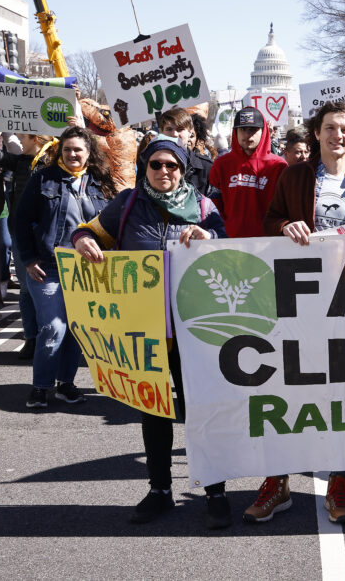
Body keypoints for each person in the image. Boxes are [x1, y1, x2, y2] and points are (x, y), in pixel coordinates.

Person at [72, 135, 231, 528]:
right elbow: (85, 230)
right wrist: (85, 241)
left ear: (182, 170)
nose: (164, 172)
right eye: (156, 165)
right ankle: (159, 490)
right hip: (144, 329)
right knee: (153, 409)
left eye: (172, 166)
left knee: (200, 409)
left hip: (193, 326)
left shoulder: (204, 206)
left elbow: (229, 248)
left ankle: (215, 492)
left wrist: (209, 237)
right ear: (145, 168)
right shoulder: (126, 204)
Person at [258, 101, 345, 525]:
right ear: (316, 133)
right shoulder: (294, 176)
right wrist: (286, 227)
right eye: (331, 128)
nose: (338, 136)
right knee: (293, 389)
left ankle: (338, 482)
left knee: (344, 396)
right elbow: (272, 219)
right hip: (301, 300)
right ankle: (277, 481)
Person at [16, 127, 116, 409]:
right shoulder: (43, 179)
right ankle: (40, 387)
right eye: (68, 149)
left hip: (87, 271)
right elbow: (21, 220)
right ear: (60, 151)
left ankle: (65, 384)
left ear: (88, 154)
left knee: (76, 329)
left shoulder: (100, 182)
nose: (72, 154)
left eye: (78, 150)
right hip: (47, 266)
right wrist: (28, 259)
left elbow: (110, 224)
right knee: (53, 326)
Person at [0, 100, 57, 360]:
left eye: (23, 136)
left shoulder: (57, 161)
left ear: (36, 138)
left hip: (52, 235)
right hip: (23, 234)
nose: (19, 141)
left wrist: (75, 118)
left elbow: (82, 148)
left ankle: (55, 340)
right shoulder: (21, 161)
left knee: (53, 289)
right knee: (26, 290)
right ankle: (31, 338)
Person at [208, 107, 288, 238]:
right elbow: (213, 204)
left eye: (253, 129)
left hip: (268, 242)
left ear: (263, 131)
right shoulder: (221, 164)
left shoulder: (278, 166)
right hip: (229, 242)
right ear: (235, 132)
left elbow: (285, 209)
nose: (247, 135)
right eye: (243, 129)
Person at [158, 107, 217, 198]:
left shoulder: (206, 167)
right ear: (161, 132)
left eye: (180, 129)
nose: (174, 134)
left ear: (190, 132)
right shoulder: (149, 162)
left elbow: (212, 205)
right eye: (169, 129)